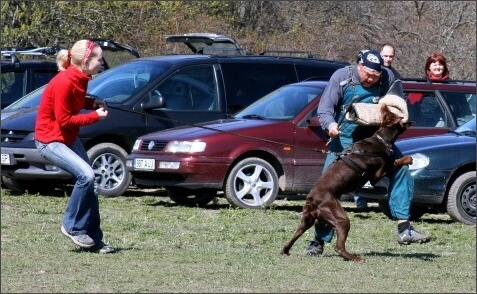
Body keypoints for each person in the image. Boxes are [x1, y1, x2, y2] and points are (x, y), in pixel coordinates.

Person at [304, 50, 431, 256]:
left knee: (401, 169)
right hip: (344, 138)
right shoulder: (342, 77)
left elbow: (397, 100)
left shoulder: (387, 77)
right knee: (327, 190)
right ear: (358, 66)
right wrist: (331, 125)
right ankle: (318, 241)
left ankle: (404, 228)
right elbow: (325, 108)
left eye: (376, 75)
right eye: (368, 74)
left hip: (376, 141)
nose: (372, 78)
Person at [34, 39, 114, 254]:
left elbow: (75, 102)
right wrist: (95, 117)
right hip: (50, 141)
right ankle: (72, 226)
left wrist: (92, 103)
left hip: (67, 139)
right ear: (86, 60)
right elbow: (65, 120)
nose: (102, 62)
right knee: (86, 176)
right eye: (99, 58)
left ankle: (94, 240)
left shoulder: (81, 78)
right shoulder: (64, 81)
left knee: (92, 186)